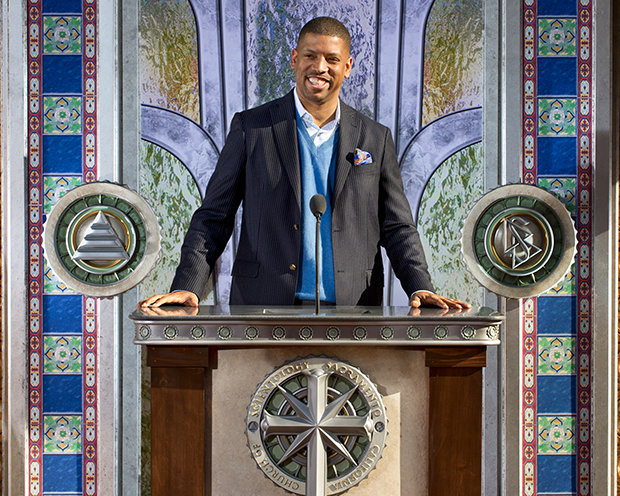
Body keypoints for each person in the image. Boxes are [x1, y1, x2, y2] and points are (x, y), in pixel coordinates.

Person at [139, 17, 469, 311]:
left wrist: (420, 286)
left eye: (332, 59)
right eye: (310, 56)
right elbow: (214, 216)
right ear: (295, 59)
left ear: (347, 66)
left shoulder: (375, 137)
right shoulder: (252, 128)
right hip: (263, 305)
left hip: (354, 307)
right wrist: (187, 286)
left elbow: (397, 226)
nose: (320, 67)